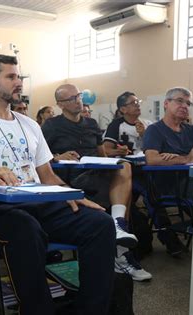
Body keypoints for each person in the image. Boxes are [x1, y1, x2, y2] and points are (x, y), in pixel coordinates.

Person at [0, 55, 116, 314]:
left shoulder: (30, 125)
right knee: (26, 229)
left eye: (18, 76)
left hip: (39, 202)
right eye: (11, 77)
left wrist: (71, 194)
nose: (19, 82)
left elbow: (48, 176)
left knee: (101, 223)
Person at [42, 84, 151, 282]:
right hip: (71, 177)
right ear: (60, 104)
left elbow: (102, 153)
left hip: (96, 171)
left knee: (123, 166)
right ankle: (120, 251)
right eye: (71, 99)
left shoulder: (91, 123)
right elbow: (40, 158)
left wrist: (113, 158)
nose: (78, 101)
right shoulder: (51, 126)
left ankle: (118, 226)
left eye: (79, 96)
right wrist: (57, 156)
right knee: (121, 196)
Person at [143, 87, 193, 256]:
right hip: (169, 186)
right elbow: (152, 159)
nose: (185, 105)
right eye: (180, 101)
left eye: (188, 103)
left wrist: (178, 157)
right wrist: (187, 158)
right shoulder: (154, 130)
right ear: (166, 104)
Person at [103, 91, 152, 157]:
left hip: (147, 163)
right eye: (133, 103)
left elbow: (157, 147)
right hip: (126, 162)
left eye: (138, 102)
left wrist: (144, 134)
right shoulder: (115, 125)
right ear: (123, 109)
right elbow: (106, 150)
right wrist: (118, 152)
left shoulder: (149, 124)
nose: (138, 105)